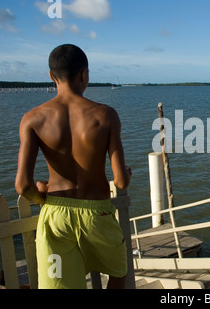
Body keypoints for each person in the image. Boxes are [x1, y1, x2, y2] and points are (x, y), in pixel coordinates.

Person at [15, 44, 131, 289]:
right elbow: (120, 182)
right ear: (84, 74)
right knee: (119, 271)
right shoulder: (106, 115)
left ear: (51, 76)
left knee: (60, 283)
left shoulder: (32, 119)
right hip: (97, 214)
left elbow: (22, 185)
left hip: (56, 216)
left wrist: (40, 195)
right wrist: (126, 175)